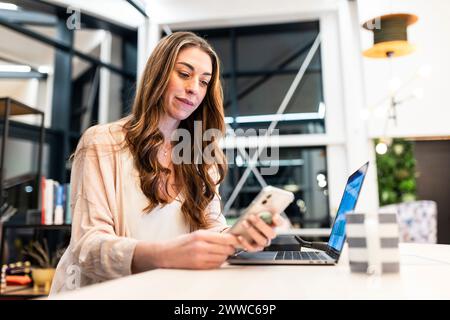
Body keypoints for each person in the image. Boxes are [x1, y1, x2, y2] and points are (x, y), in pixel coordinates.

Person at [49, 31, 282, 294]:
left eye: (204, 82)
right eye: (184, 74)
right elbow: (87, 248)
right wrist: (165, 254)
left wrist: (240, 238)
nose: (194, 88)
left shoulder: (201, 157)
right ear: (158, 74)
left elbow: (212, 229)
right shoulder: (102, 143)